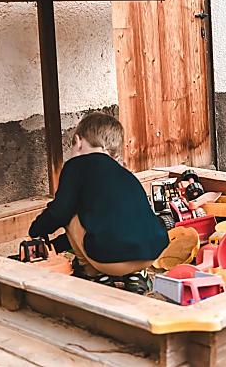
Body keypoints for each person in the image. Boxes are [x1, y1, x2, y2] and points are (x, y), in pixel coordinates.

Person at [28, 112, 169, 294]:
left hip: (108, 259)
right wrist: (56, 244)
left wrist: (37, 230)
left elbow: (60, 212)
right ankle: (136, 276)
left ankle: (93, 273)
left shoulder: (76, 165)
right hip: (151, 253)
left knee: (71, 212)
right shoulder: (125, 173)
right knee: (127, 219)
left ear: (78, 142)